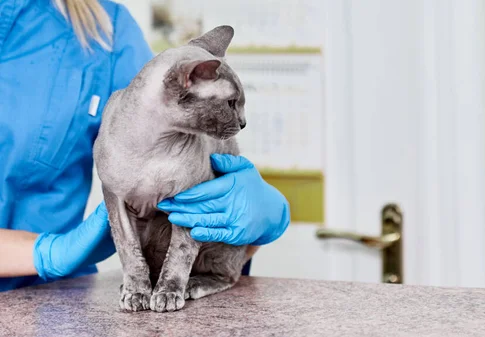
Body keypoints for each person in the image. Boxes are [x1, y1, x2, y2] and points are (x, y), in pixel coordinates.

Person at [0, 0, 290, 292]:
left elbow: (173, 118)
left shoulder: (105, 26)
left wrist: (261, 220)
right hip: (53, 268)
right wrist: (48, 253)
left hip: (58, 302)